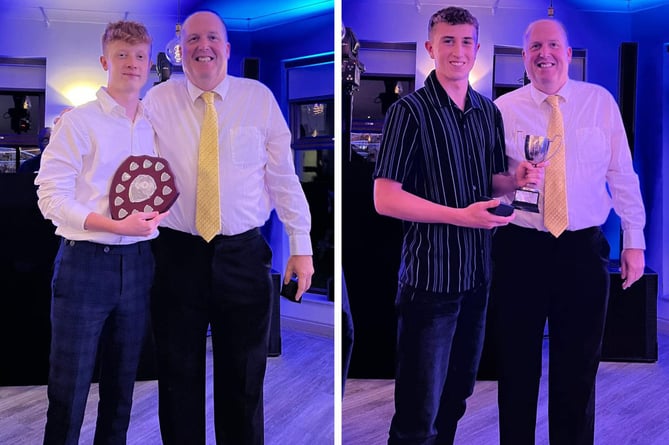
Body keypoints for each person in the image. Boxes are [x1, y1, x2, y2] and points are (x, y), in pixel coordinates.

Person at [142, 10, 314, 445]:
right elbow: (124, 148)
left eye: (213, 37)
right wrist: (81, 121)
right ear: (182, 50)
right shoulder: (157, 101)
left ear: (228, 48)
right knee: (177, 377)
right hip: (176, 255)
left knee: (244, 378)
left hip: (243, 255)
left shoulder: (258, 98)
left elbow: (283, 177)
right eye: (194, 38)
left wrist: (301, 244)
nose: (204, 47)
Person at [372, 7, 541, 445]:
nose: (458, 51)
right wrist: (460, 216)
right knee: (417, 413)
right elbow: (384, 198)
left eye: (466, 42)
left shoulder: (487, 112)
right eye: (448, 41)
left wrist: (514, 178)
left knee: (456, 397)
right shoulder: (409, 112)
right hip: (430, 282)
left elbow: (490, 180)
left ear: (477, 50)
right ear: (431, 48)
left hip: (477, 278)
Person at [491, 18, 646, 445]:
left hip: (583, 250)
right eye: (535, 46)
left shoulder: (600, 102)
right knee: (517, 366)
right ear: (524, 57)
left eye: (553, 45)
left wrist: (635, 240)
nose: (545, 54)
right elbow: (487, 179)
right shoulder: (502, 110)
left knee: (578, 368)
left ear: (568, 51)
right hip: (520, 248)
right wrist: (509, 179)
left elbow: (622, 175)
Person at [35, 20, 166, 444]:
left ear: (149, 63)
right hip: (85, 264)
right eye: (123, 55)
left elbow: (160, 186)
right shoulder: (78, 123)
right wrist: (115, 225)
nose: (132, 64)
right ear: (104, 60)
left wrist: (157, 215)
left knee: (122, 388)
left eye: (140, 56)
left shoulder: (154, 124)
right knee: (68, 389)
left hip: (140, 265)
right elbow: (50, 198)